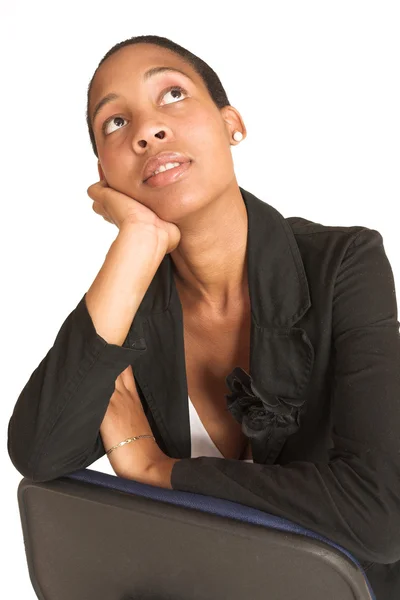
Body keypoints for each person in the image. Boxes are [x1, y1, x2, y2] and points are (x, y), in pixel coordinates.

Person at [7, 35, 400, 599]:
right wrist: (138, 240)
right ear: (105, 173)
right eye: (115, 124)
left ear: (231, 123)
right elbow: (40, 454)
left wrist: (157, 470)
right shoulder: (129, 303)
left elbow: (380, 516)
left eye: (171, 93)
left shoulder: (345, 264)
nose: (146, 129)